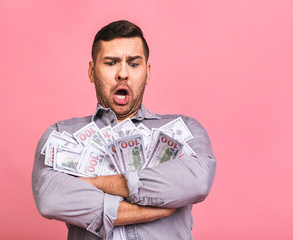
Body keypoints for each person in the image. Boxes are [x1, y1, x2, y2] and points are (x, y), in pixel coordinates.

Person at [32, 20, 216, 240]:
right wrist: (150, 208)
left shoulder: (186, 130)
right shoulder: (63, 135)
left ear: (147, 73)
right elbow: (50, 197)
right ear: (92, 71)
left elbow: (197, 181)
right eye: (111, 63)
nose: (122, 74)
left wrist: (96, 185)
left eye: (134, 64)